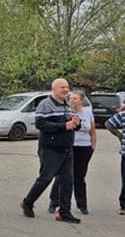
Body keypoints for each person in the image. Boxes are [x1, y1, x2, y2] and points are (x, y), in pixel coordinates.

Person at [20, 78, 82, 223]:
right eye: (62, 87)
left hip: (66, 148)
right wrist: (63, 126)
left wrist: (76, 124)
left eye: (67, 87)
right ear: (53, 89)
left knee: (68, 181)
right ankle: (28, 202)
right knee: (45, 178)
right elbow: (40, 124)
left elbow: (70, 124)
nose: (65, 90)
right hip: (50, 148)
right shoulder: (45, 104)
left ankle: (64, 212)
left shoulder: (68, 104)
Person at [48, 91, 96, 214]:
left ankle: (82, 205)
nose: (72, 101)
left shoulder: (87, 113)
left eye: (75, 98)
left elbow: (92, 132)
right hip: (69, 146)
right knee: (61, 175)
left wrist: (93, 146)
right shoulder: (67, 112)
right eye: (70, 99)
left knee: (79, 176)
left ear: (81, 100)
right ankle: (54, 202)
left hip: (84, 147)